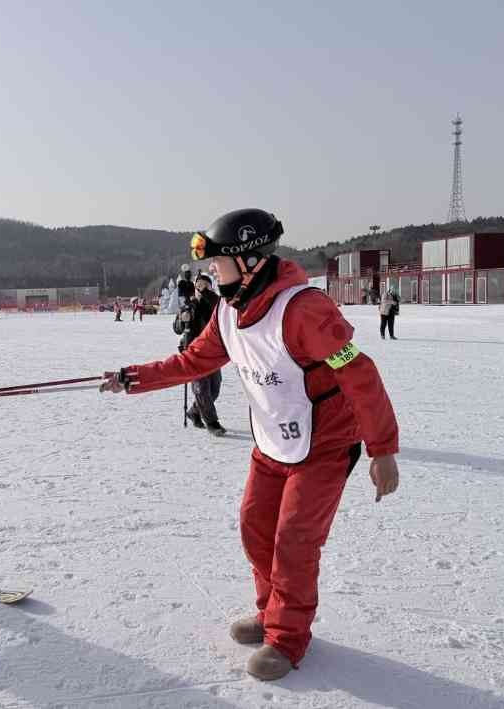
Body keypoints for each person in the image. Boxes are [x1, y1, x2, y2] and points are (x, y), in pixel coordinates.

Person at [100, 208, 400, 681]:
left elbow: (359, 373)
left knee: (294, 542)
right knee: (254, 529)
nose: (210, 273)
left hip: (324, 445)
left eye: (217, 263)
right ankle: (271, 612)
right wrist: (133, 378)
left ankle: (287, 637)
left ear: (250, 262)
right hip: (271, 442)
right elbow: (193, 361)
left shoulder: (306, 311)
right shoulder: (228, 311)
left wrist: (383, 450)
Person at [174, 273, 225, 435]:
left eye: (206, 285)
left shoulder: (216, 304)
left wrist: (207, 293)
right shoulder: (189, 305)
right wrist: (182, 320)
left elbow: (221, 307)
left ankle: (194, 412)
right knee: (201, 389)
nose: (201, 288)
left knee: (214, 390)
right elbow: (177, 329)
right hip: (194, 353)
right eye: (199, 285)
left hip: (213, 353)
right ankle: (212, 423)